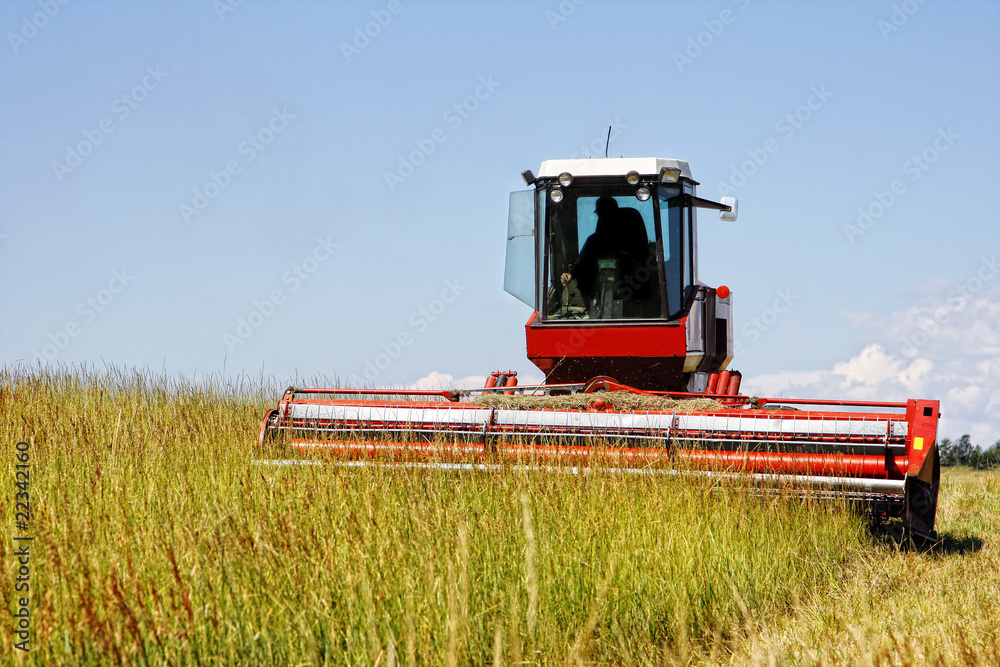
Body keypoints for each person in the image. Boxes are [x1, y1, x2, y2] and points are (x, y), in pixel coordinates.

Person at [560, 196, 648, 306]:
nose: (604, 217)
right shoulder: (593, 242)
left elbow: (641, 262)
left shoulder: (632, 243)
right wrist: (570, 274)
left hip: (629, 295)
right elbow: (581, 262)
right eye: (601, 214)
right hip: (596, 295)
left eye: (607, 213)